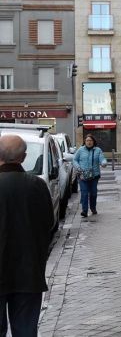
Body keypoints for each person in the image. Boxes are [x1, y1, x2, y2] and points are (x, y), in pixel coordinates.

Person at [0, 134, 54, 337]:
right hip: (28, 272)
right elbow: (49, 223)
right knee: (25, 331)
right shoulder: (36, 185)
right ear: (23, 157)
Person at [72, 134, 107, 218]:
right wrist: (78, 167)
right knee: (84, 193)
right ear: (85, 142)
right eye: (87, 140)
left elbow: (102, 158)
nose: (89, 142)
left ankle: (93, 207)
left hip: (94, 176)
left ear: (93, 142)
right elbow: (74, 160)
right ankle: (84, 210)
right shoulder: (80, 150)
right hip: (83, 175)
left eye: (90, 140)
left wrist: (103, 163)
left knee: (93, 193)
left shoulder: (98, 150)